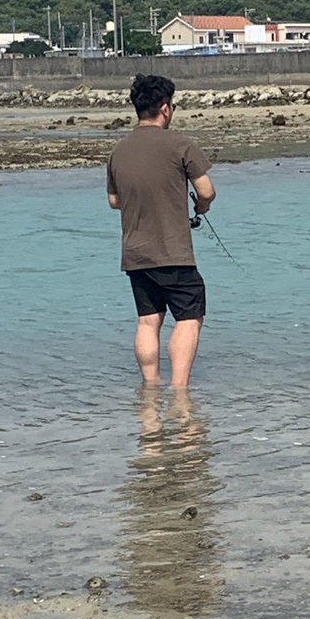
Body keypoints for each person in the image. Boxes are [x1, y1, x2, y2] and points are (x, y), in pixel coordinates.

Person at [107, 73, 216, 387]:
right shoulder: (180, 144)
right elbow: (206, 191)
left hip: (135, 253)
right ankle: (180, 390)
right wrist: (201, 208)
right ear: (166, 108)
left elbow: (114, 201)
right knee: (189, 317)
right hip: (173, 251)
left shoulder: (119, 150)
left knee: (148, 319)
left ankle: (151, 388)